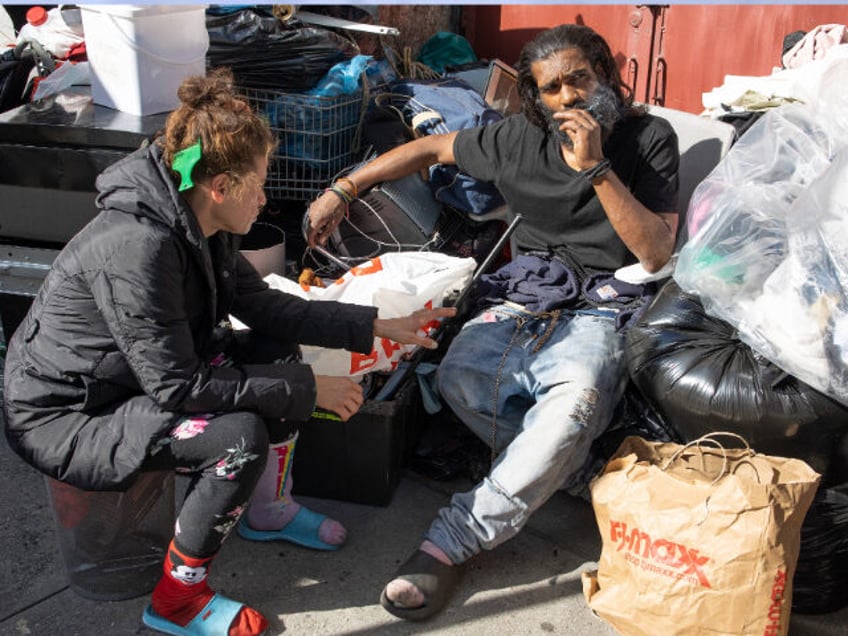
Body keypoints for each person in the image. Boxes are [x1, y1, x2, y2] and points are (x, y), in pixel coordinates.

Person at [2, 68, 455, 636]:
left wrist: (378, 324)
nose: (266, 197)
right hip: (70, 411)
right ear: (220, 185)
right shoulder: (138, 248)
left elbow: (266, 307)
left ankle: (265, 512)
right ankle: (176, 602)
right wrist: (310, 390)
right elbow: (178, 388)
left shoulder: (196, 220)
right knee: (237, 438)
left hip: (134, 377)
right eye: (260, 183)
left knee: (280, 351)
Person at [306, 24, 680, 621]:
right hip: (526, 293)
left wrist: (597, 170)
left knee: (575, 399)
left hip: (606, 301)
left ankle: (452, 540)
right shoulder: (514, 138)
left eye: (580, 79)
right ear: (536, 99)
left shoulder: (649, 137)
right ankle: (577, 472)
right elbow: (429, 149)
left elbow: (658, 254)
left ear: (604, 75)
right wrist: (344, 186)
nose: (569, 98)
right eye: (552, 88)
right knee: (458, 379)